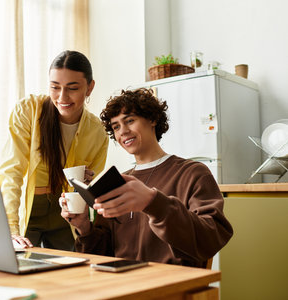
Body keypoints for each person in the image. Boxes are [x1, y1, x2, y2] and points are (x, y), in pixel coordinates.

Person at [60, 88, 233, 267]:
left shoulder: (192, 173)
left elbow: (211, 238)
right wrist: (84, 227)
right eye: (116, 126)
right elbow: (102, 254)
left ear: (152, 119)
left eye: (130, 120)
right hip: (123, 283)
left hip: (171, 286)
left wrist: (153, 202)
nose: (123, 131)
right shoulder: (118, 181)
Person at [0, 50, 109, 251]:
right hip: (29, 206)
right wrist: (11, 229)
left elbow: (89, 192)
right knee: (21, 265)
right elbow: (11, 172)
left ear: (90, 87)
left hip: (64, 212)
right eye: (55, 87)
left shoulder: (97, 132)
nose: (62, 97)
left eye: (72, 88)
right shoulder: (28, 110)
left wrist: (84, 185)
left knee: (71, 270)